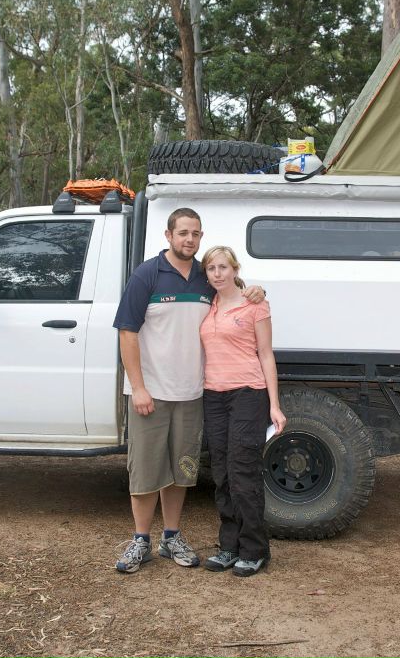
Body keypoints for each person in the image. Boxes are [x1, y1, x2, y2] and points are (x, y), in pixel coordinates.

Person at [112, 208, 263, 574]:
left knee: (182, 470)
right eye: (182, 233)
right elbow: (127, 333)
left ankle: (171, 536)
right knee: (146, 471)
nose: (189, 240)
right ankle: (140, 541)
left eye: (195, 233)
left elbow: (236, 296)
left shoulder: (203, 276)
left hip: (193, 393)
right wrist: (139, 388)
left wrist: (256, 290)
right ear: (168, 235)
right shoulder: (147, 275)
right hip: (151, 393)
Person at [198, 245, 287, 577]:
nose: (217, 274)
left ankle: (254, 549)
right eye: (211, 269)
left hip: (249, 394)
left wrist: (274, 406)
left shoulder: (255, 305)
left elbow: (266, 355)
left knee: (242, 471)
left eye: (223, 267)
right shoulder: (208, 306)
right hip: (213, 396)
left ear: (235, 270)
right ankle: (229, 547)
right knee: (220, 472)